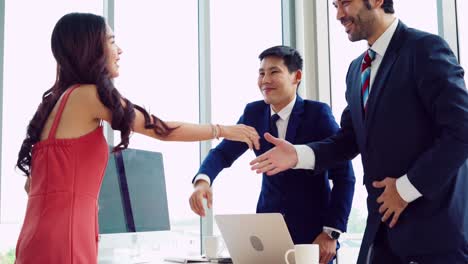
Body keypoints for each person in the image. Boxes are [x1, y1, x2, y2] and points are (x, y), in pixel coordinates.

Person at [14, 13, 260, 264]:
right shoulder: (88, 95)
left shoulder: (54, 104)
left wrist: (79, 201)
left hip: (35, 236)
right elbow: (160, 129)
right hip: (66, 238)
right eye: (111, 41)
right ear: (90, 47)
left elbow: (31, 186)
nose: (119, 50)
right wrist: (222, 130)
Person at [250, 1, 468, 263]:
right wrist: (299, 155)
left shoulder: (424, 49)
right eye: (334, 6)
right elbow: (348, 140)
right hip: (382, 233)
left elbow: (462, 130)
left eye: (345, 3)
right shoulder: (356, 70)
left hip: (435, 233)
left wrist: (406, 188)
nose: (339, 15)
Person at [189, 45, 355, 264]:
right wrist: (202, 181)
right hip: (266, 236)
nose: (265, 80)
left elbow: (344, 177)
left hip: (312, 238)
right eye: (261, 73)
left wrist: (331, 233)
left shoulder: (318, 114)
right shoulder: (253, 113)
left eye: (274, 72)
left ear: (296, 76)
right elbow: (222, 154)